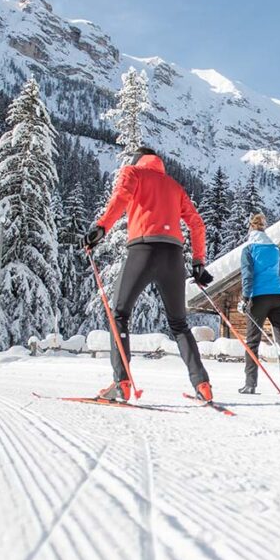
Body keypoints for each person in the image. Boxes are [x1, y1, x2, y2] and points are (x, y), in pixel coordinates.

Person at [82, 146, 216, 402]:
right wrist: (198, 262)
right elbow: (197, 223)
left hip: (143, 249)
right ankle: (203, 385)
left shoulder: (133, 173)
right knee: (179, 324)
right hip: (173, 257)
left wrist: (101, 228)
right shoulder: (174, 186)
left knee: (119, 314)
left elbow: (121, 196)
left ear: (137, 161)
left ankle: (121, 382)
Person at [237, 213, 280, 395]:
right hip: (279, 297)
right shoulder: (275, 249)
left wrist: (245, 298)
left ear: (250, 229)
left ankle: (250, 384)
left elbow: (247, 276)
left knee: (252, 342)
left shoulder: (249, 250)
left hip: (259, 298)